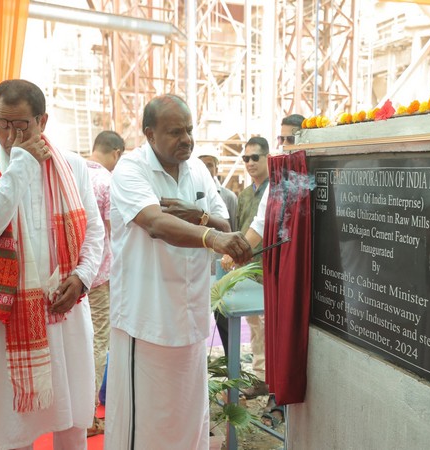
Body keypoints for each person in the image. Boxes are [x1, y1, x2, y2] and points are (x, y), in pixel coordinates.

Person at [105, 94, 253, 450]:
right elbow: (155, 223)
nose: (186, 139)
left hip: (189, 319)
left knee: (188, 420)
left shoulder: (197, 170)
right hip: (147, 322)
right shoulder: (130, 170)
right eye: (175, 132)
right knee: (148, 427)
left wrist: (200, 217)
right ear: (149, 134)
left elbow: (223, 219)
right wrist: (212, 235)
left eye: (189, 130)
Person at [0, 79, 105, 449]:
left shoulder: (73, 166)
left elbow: (94, 230)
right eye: (1, 124)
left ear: (43, 121)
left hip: (66, 311)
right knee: (12, 425)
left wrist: (82, 277)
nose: (9, 135)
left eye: (20, 125)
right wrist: (22, 164)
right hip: (10, 321)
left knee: (72, 420)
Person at [221, 113, 305, 427]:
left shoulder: (306, 173)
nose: (285, 145)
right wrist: (236, 250)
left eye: (291, 138)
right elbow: (257, 226)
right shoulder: (275, 183)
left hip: (299, 278)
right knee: (265, 333)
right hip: (269, 272)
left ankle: (277, 396)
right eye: (282, 139)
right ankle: (272, 392)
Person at [85, 130, 125, 437]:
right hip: (98, 275)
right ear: (116, 153)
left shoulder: (72, 174)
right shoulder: (106, 183)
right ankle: (88, 417)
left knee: (74, 341)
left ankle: (73, 410)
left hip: (69, 275)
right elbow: (115, 232)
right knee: (98, 344)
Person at [237, 136, 270, 399]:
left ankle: (269, 379)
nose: (249, 163)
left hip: (267, 266)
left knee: (266, 324)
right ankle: (260, 377)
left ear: (268, 157)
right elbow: (241, 231)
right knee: (254, 325)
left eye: (255, 157)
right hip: (247, 269)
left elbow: (262, 228)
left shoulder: (275, 190)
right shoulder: (245, 194)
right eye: (245, 158)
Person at [196, 147, 238, 358]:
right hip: (198, 269)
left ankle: (232, 363)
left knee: (224, 320)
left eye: (209, 164)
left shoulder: (228, 197)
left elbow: (233, 230)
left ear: (216, 167)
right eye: (201, 163)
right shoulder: (191, 194)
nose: (205, 168)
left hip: (221, 269)